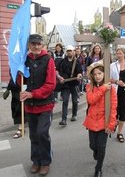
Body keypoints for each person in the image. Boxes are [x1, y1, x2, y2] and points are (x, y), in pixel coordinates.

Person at [19, 34, 56, 176]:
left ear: (42, 45)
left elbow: (51, 84)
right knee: (33, 135)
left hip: (45, 104)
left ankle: (45, 161)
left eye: (38, 43)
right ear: (29, 45)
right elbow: (21, 81)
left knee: (42, 133)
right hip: (30, 105)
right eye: (33, 43)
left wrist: (33, 94)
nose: (36, 46)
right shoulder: (24, 60)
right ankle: (36, 160)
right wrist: (17, 73)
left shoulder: (48, 60)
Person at [83, 60, 117, 177]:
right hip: (92, 121)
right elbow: (91, 100)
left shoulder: (111, 88)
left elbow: (113, 107)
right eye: (95, 74)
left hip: (104, 122)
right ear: (92, 75)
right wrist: (102, 88)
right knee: (93, 146)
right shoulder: (89, 86)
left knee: (101, 147)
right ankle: (96, 154)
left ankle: (98, 169)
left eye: (100, 73)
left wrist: (111, 124)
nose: (97, 76)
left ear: (104, 74)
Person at [57, 45, 83, 125]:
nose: (69, 52)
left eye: (70, 51)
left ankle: (74, 114)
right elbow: (56, 71)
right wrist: (59, 77)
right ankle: (63, 119)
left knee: (75, 100)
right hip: (65, 84)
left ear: (73, 52)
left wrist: (79, 75)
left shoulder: (77, 61)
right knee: (65, 101)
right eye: (68, 51)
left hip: (74, 84)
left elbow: (80, 72)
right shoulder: (62, 61)